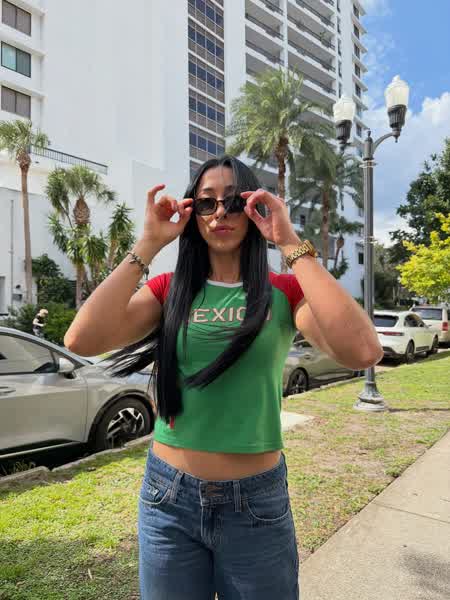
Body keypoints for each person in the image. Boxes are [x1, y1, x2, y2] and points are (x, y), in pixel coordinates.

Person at [64, 156, 383, 599]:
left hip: (255, 502)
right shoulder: (170, 290)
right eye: (207, 203)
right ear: (192, 212)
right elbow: (81, 339)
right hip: (168, 499)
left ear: (254, 210)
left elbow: (363, 350)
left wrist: (289, 241)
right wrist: (149, 243)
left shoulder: (284, 292)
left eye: (234, 202)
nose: (220, 214)